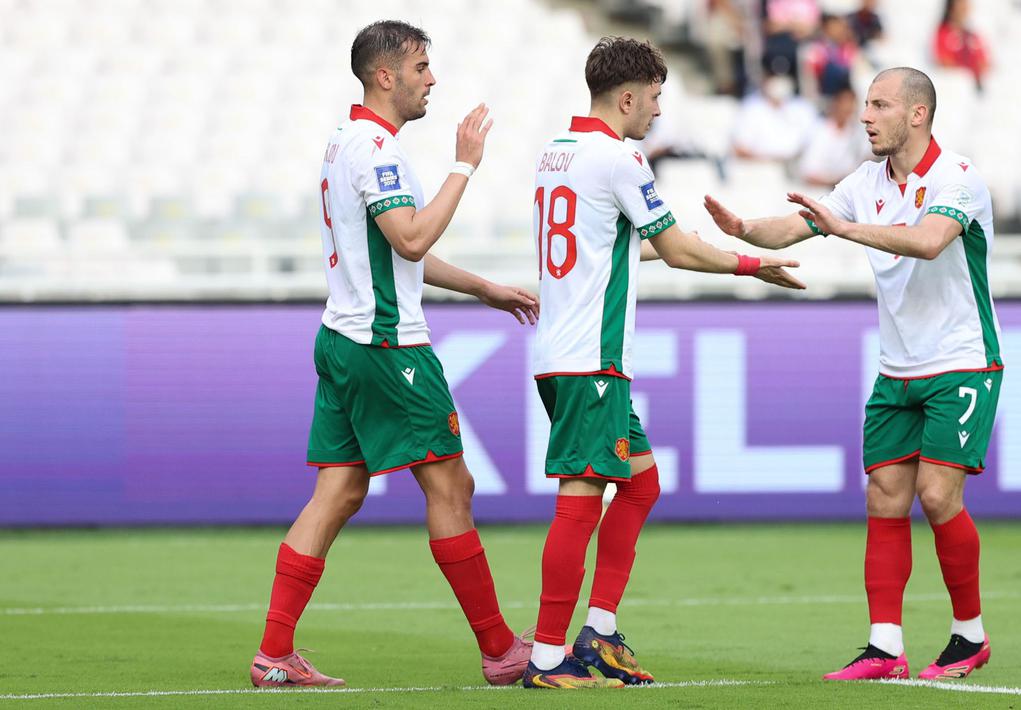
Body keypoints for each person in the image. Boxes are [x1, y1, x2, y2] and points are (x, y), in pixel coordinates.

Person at [249, 20, 539, 688]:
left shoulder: (343, 142)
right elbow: (407, 240)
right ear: (386, 76)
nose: (431, 78)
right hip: (386, 345)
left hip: (341, 338)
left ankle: (274, 654)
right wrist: (464, 164)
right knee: (451, 485)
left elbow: (393, 249)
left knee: (340, 489)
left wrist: (481, 288)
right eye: (420, 67)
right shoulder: (377, 150)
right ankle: (499, 649)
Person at [524, 36, 805, 690]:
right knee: (581, 498)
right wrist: (751, 263)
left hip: (565, 353)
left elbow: (617, 248)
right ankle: (545, 658)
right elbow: (675, 250)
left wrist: (701, 246)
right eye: (653, 98)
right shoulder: (621, 157)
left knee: (641, 484)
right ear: (626, 97)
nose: (656, 112)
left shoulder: (555, 153)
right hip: (590, 358)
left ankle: (597, 633)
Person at [704, 66, 1002, 681]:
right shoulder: (865, 181)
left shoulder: (957, 177)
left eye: (880, 105)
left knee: (937, 494)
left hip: (961, 360)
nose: (865, 116)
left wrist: (842, 227)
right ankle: (885, 647)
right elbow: (796, 225)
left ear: (917, 114)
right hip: (898, 369)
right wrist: (743, 231)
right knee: (884, 497)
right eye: (866, 105)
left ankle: (968, 635)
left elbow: (928, 241)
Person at [797, 83, 871, 188]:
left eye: (852, 103)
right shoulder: (819, 131)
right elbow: (808, 173)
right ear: (835, 104)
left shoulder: (859, 132)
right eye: (845, 103)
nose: (849, 108)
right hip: (820, 192)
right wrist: (835, 183)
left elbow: (866, 161)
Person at [731, 72, 817, 162]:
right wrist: (771, 160)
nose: (779, 83)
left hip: (797, 165)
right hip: (761, 167)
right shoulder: (750, 107)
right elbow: (739, 149)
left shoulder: (803, 106)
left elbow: (816, 142)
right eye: (774, 78)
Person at [935, 0, 990, 90]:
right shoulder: (943, 33)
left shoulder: (973, 36)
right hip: (954, 88)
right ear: (951, 6)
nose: (965, 7)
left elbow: (984, 62)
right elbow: (944, 63)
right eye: (961, 3)